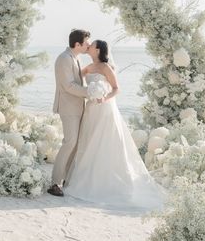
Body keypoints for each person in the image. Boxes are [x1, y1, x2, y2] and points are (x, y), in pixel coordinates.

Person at [64, 39, 165, 210]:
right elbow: (76, 79)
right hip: (91, 110)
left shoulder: (105, 67)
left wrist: (104, 97)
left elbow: (116, 88)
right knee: (88, 142)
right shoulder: (88, 67)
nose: (89, 46)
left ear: (98, 50)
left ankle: (109, 182)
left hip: (105, 108)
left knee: (104, 141)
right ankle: (85, 178)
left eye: (92, 45)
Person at [47, 29, 90, 197]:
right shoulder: (64, 59)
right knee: (69, 142)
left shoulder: (75, 58)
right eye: (86, 42)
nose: (88, 45)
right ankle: (55, 183)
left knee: (75, 144)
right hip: (68, 107)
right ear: (77, 44)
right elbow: (68, 86)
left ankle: (64, 179)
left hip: (78, 106)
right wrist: (89, 91)